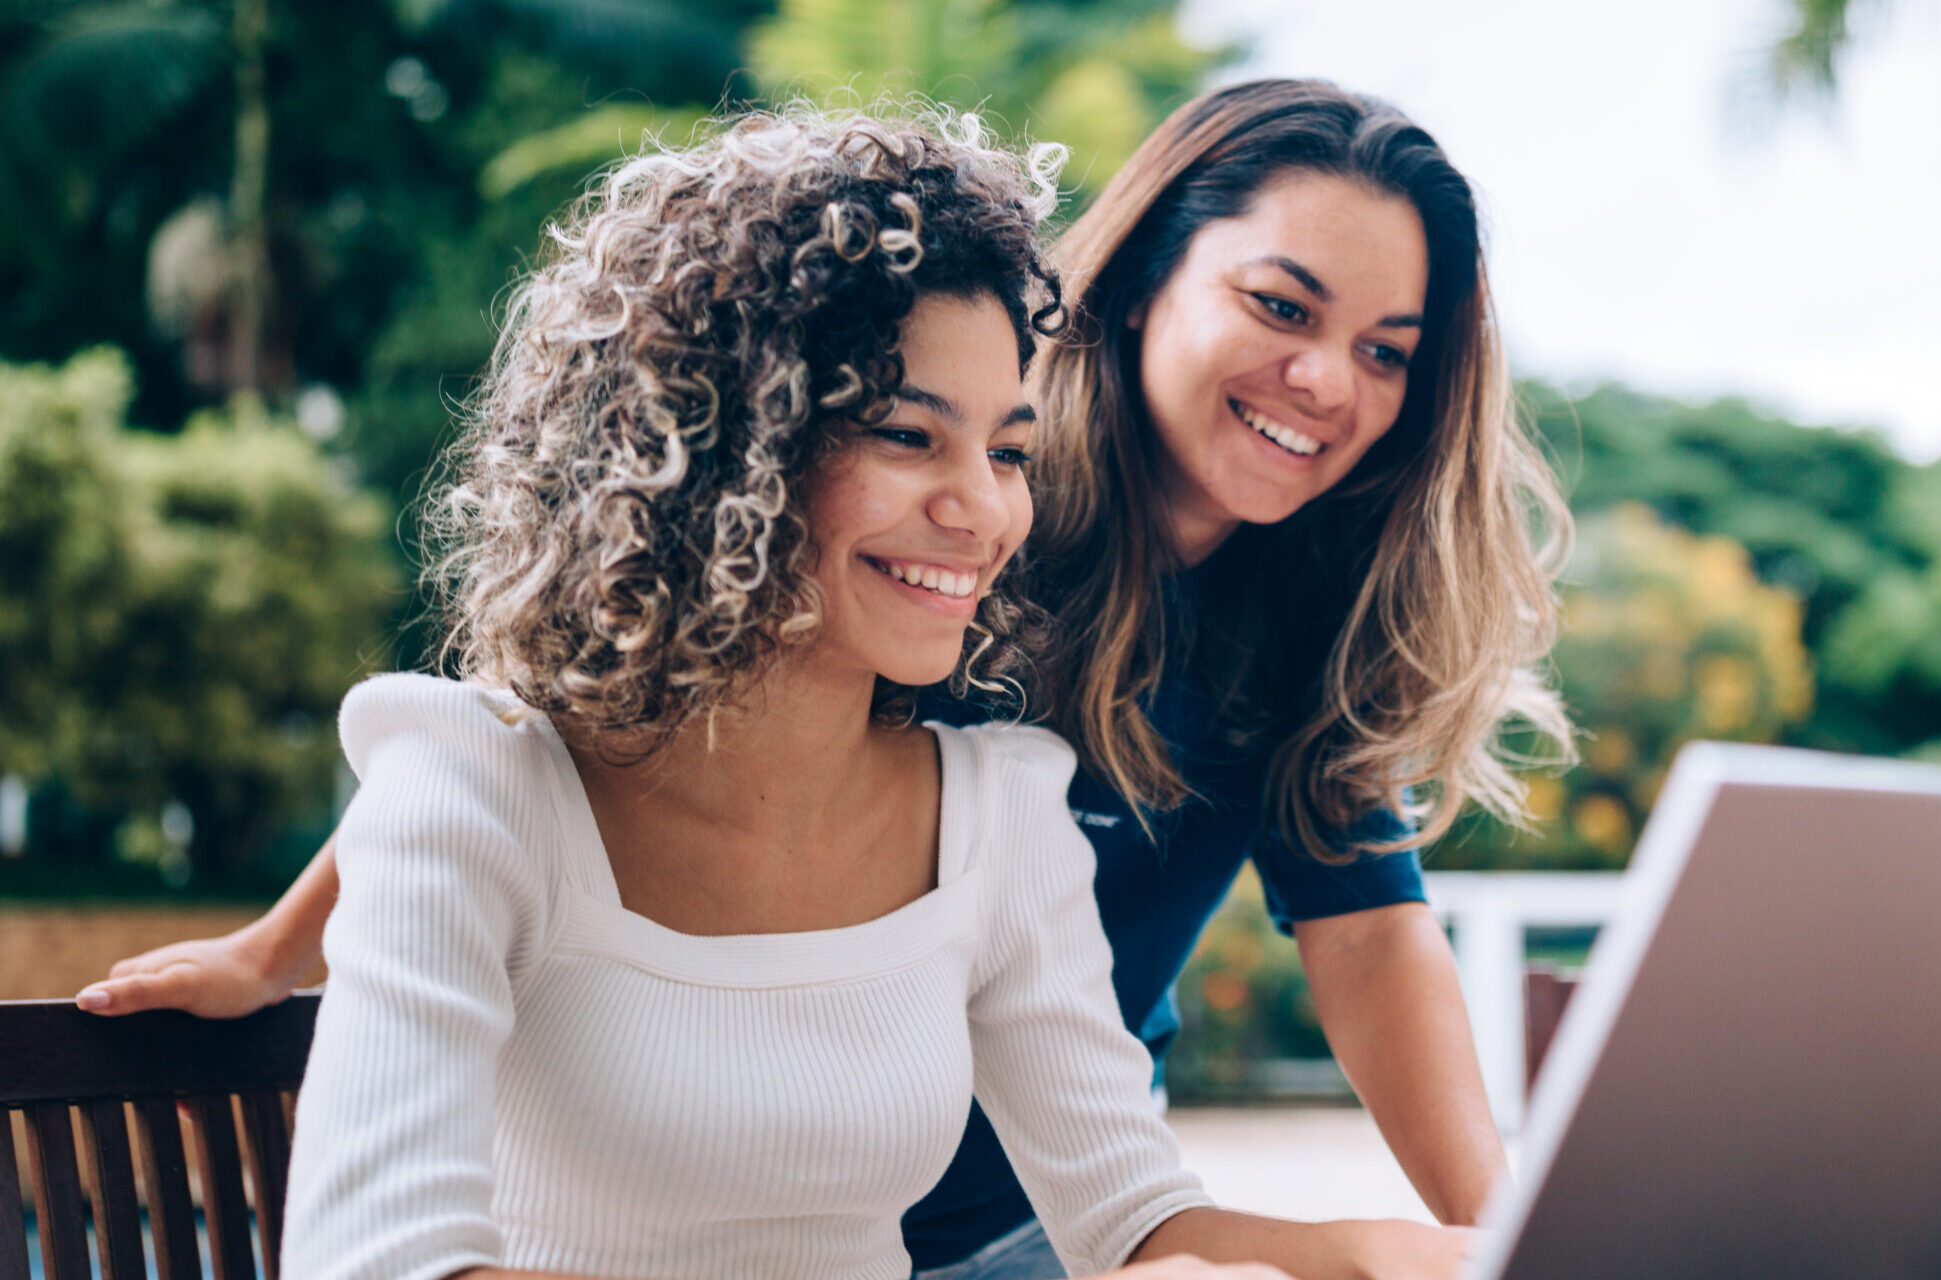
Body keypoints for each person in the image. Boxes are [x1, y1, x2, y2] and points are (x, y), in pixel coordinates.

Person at [88, 80, 1572, 1280]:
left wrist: (1481, 1240)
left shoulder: (1084, 736)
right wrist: (284, 947)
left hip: (1010, 1205)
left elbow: (1357, 961)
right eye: (1282, 307)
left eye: (1389, 348)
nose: (984, 510)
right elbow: (545, 733)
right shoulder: (929, 564)